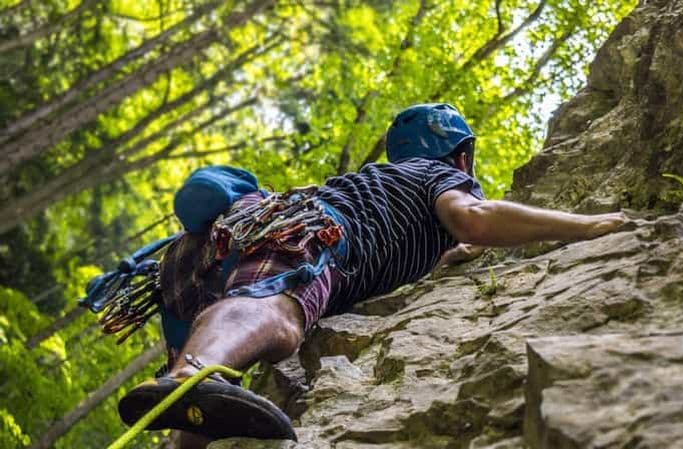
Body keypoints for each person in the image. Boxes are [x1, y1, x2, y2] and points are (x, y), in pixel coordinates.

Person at [118, 103, 627, 448]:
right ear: (461, 156)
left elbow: (441, 247)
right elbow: (474, 217)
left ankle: (186, 405)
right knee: (280, 314)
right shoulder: (439, 176)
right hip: (307, 231)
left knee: (204, 397)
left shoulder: (385, 188)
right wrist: (588, 226)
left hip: (197, 260)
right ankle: (190, 373)